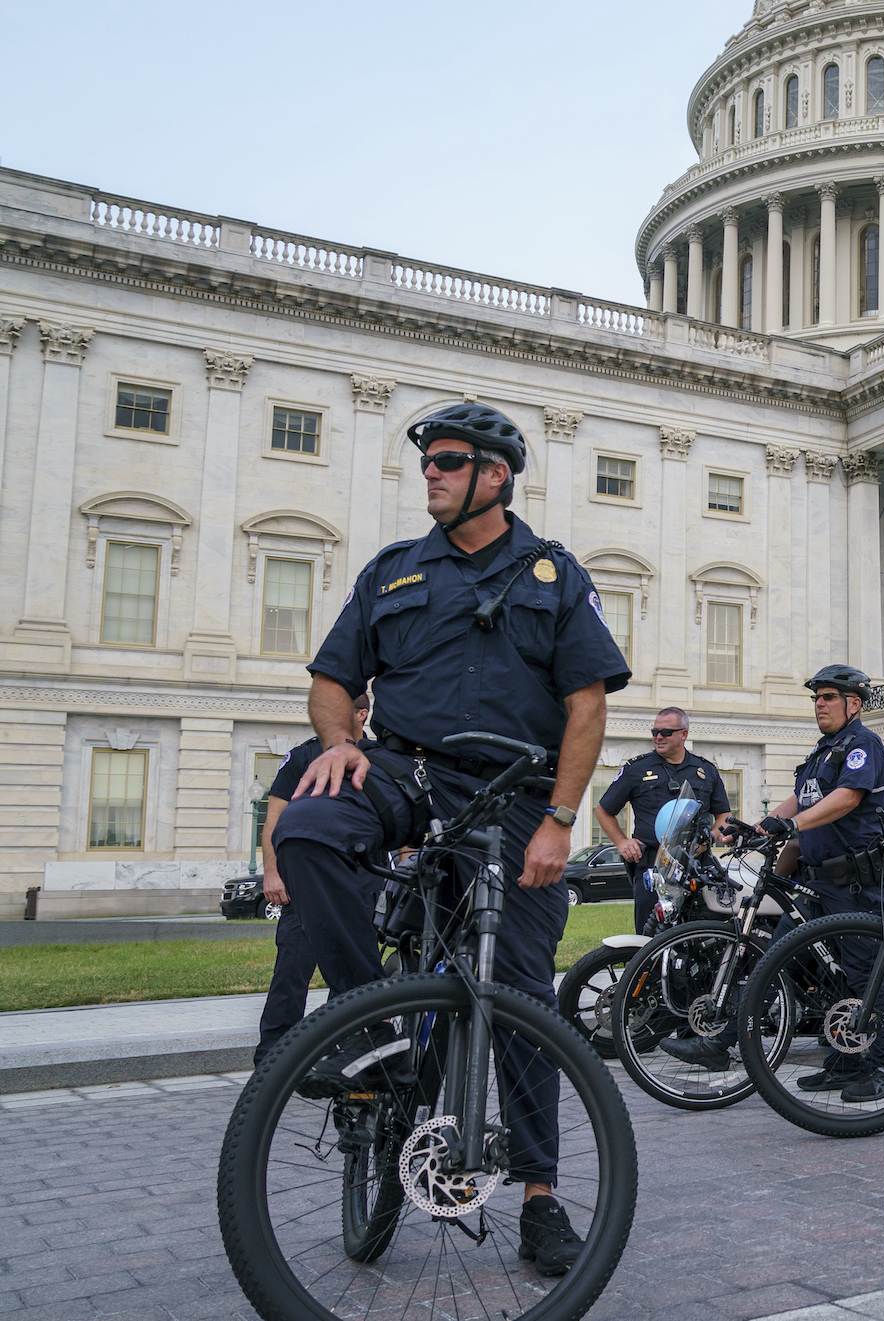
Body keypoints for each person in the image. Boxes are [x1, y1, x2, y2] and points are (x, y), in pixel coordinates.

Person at [273, 401, 629, 1277]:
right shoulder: (392, 571)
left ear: (494, 475)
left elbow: (587, 705)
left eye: (448, 460)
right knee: (312, 824)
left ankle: (541, 1197)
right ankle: (377, 1030)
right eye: (427, 460)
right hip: (407, 774)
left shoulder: (552, 574)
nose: (429, 471)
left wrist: (558, 819)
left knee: (522, 994)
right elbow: (330, 678)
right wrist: (339, 745)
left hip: (514, 794)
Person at [670, 665, 884, 1101]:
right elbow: (800, 799)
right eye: (816, 698)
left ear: (854, 703)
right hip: (814, 886)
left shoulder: (862, 745)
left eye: (829, 697)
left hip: (855, 884)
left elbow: (846, 798)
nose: (820, 705)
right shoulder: (822, 752)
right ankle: (825, 1059)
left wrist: (789, 823)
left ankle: (879, 1069)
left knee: (864, 976)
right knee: (777, 962)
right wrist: (758, 828)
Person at [252, 690, 370, 1065]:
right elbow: (274, 820)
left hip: (363, 879)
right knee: (292, 970)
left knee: (353, 973)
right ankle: (274, 1058)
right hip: (307, 881)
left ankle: (345, 1052)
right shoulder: (304, 755)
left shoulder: (380, 758)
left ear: (361, 715)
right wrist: (272, 872)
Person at [595, 707, 735, 933]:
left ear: (684, 734)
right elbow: (603, 810)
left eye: (666, 732)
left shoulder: (705, 771)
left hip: (697, 865)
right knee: (649, 938)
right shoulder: (636, 769)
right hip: (653, 865)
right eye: (654, 732)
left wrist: (711, 837)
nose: (658, 737)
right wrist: (622, 842)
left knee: (703, 934)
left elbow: (724, 816)